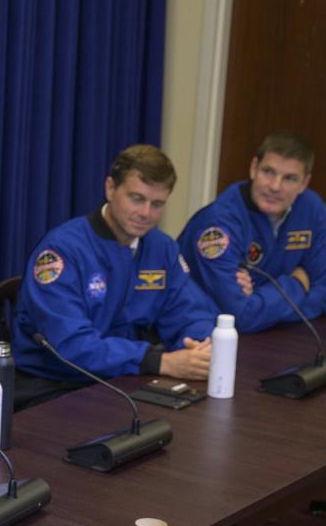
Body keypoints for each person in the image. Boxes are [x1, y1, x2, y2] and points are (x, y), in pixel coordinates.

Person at [12, 145, 219, 401]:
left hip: (126, 378)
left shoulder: (161, 247)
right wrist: (158, 362)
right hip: (56, 385)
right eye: (136, 199)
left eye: (157, 204)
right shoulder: (61, 251)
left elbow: (191, 311)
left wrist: (199, 346)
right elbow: (71, 345)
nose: (145, 213)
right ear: (110, 188)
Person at [178, 131, 326, 333]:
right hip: (200, 337)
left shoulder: (311, 208)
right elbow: (238, 316)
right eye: (268, 172)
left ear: (304, 183)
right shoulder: (219, 222)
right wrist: (297, 284)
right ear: (253, 168)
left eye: (290, 178)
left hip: (276, 337)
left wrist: (261, 303)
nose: (275, 186)